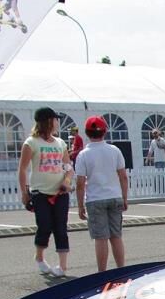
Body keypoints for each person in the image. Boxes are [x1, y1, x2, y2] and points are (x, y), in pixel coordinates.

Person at [18, 106, 72, 277]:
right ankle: (40, 257)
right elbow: (22, 169)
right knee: (45, 225)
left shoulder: (60, 143)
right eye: (56, 119)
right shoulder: (31, 143)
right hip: (40, 192)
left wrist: (67, 181)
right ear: (48, 121)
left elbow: (68, 167)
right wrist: (25, 193)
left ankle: (62, 266)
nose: (58, 122)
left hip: (60, 193)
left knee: (61, 227)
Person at [75, 115, 128, 272]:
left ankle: (102, 272)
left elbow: (80, 183)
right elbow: (123, 176)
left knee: (100, 237)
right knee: (116, 236)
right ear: (105, 132)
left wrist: (80, 205)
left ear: (86, 133)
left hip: (95, 198)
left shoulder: (83, 155)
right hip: (114, 195)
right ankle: (121, 269)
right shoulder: (114, 150)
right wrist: (124, 197)